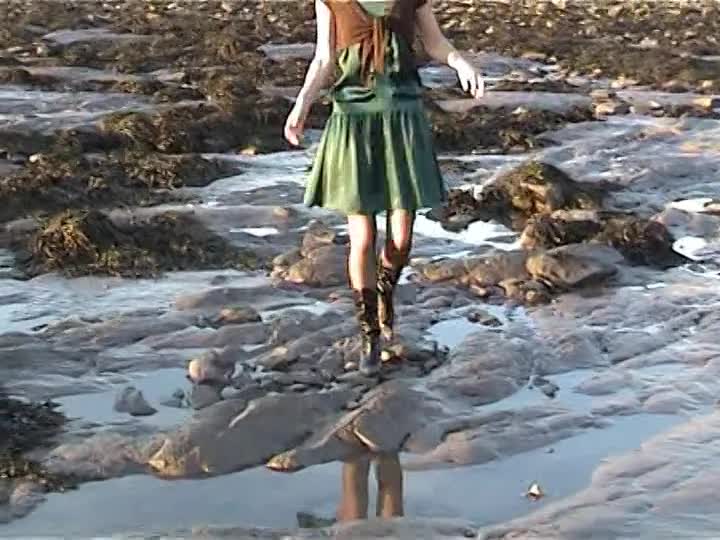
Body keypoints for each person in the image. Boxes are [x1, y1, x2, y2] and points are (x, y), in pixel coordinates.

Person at [284, 0, 484, 376]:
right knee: (362, 238)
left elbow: (435, 42)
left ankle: (385, 291)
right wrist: (301, 106)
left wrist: (460, 63)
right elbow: (324, 58)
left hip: (403, 118)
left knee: (402, 239)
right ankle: (370, 334)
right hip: (353, 120)